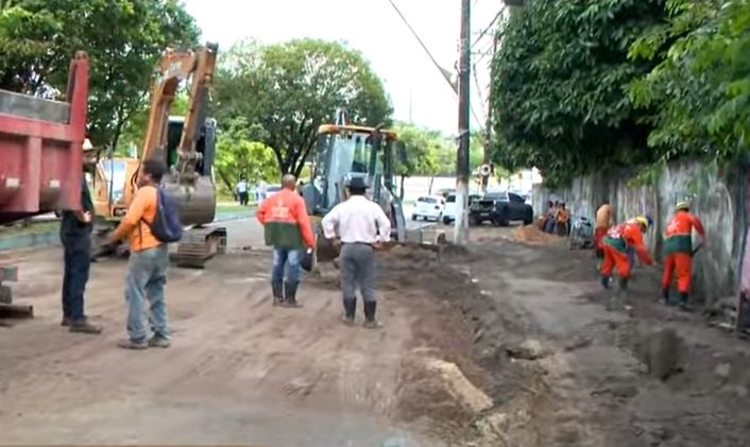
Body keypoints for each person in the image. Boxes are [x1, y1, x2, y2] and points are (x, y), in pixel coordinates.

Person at [106, 158, 171, 349]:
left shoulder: (145, 193)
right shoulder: (163, 194)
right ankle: (161, 334)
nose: (139, 176)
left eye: (141, 172)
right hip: (161, 250)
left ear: (148, 176)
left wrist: (113, 237)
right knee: (157, 292)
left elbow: (129, 220)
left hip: (144, 250)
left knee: (135, 292)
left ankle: (138, 337)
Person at [322, 176, 391, 328]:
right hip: (367, 248)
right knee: (368, 283)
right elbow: (385, 224)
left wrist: (332, 238)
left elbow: (326, 221)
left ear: (348, 190)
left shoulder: (342, 207)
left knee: (348, 282)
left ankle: (349, 316)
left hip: (347, 248)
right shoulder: (373, 207)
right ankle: (370, 320)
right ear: (365, 191)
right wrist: (380, 239)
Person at [60, 138, 102, 334]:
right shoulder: (76, 175)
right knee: (78, 274)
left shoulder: (71, 173)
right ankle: (77, 317)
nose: (92, 159)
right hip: (77, 231)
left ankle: (68, 314)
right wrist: (82, 217)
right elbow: (73, 198)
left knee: (70, 273)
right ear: (79, 156)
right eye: (88, 155)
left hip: (70, 230)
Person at [256, 174, 315, 307]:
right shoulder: (297, 200)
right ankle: (290, 299)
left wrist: (268, 225)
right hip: (293, 238)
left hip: (277, 237)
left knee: (277, 265)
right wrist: (310, 242)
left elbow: (260, 212)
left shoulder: (272, 199)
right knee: (293, 266)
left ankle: (277, 298)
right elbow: (303, 222)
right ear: (294, 185)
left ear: (282, 184)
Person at [661, 202, 706, 310]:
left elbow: (664, 235)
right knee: (683, 274)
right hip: (682, 247)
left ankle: (664, 297)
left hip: (668, 249)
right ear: (686, 209)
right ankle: (682, 302)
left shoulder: (671, 221)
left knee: (668, 272)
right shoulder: (686, 215)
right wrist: (702, 234)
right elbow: (695, 221)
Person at [600, 216, 654, 291]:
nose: (642, 231)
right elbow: (640, 249)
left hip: (606, 241)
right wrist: (649, 261)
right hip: (616, 244)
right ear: (641, 225)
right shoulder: (635, 229)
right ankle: (623, 286)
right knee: (623, 265)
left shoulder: (624, 225)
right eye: (643, 229)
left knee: (609, 262)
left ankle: (604, 282)